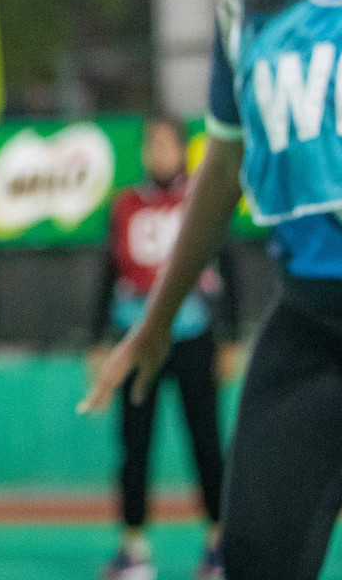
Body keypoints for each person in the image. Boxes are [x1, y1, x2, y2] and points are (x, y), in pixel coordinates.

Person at [84, 0, 342, 580]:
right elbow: (222, 172)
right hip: (310, 319)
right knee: (257, 555)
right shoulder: (252, 11)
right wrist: (156, 320)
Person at [88, 115, 240, 580]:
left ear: (182, 148)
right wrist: (98, 341)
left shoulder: (202, 199)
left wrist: (230, 337)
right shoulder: (125, 204)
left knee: (207, 444)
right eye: (151, 144)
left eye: (166, 143)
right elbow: (106, 273)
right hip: (136, 341)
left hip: (193, 337)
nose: (159, 152)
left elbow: (230, 269)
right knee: (134, 445)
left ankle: (218, 544)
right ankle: (133, 548)